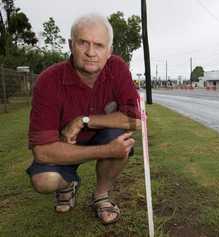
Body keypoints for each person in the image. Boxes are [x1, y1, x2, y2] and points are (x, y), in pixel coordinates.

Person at [26, 13, 140, 225]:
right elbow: (42, 151)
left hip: (100, 135)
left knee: (120, 139)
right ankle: (67, 184)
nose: (90, 52)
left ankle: (101, 195)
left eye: (98, 45)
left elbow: (136, 120)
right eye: (83, 43)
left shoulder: (117, 68)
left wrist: (84, 120)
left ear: (109, 51)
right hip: (64, 143)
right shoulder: (48, 81)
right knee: (43, 180)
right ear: (70, 44)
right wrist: (106, 151)